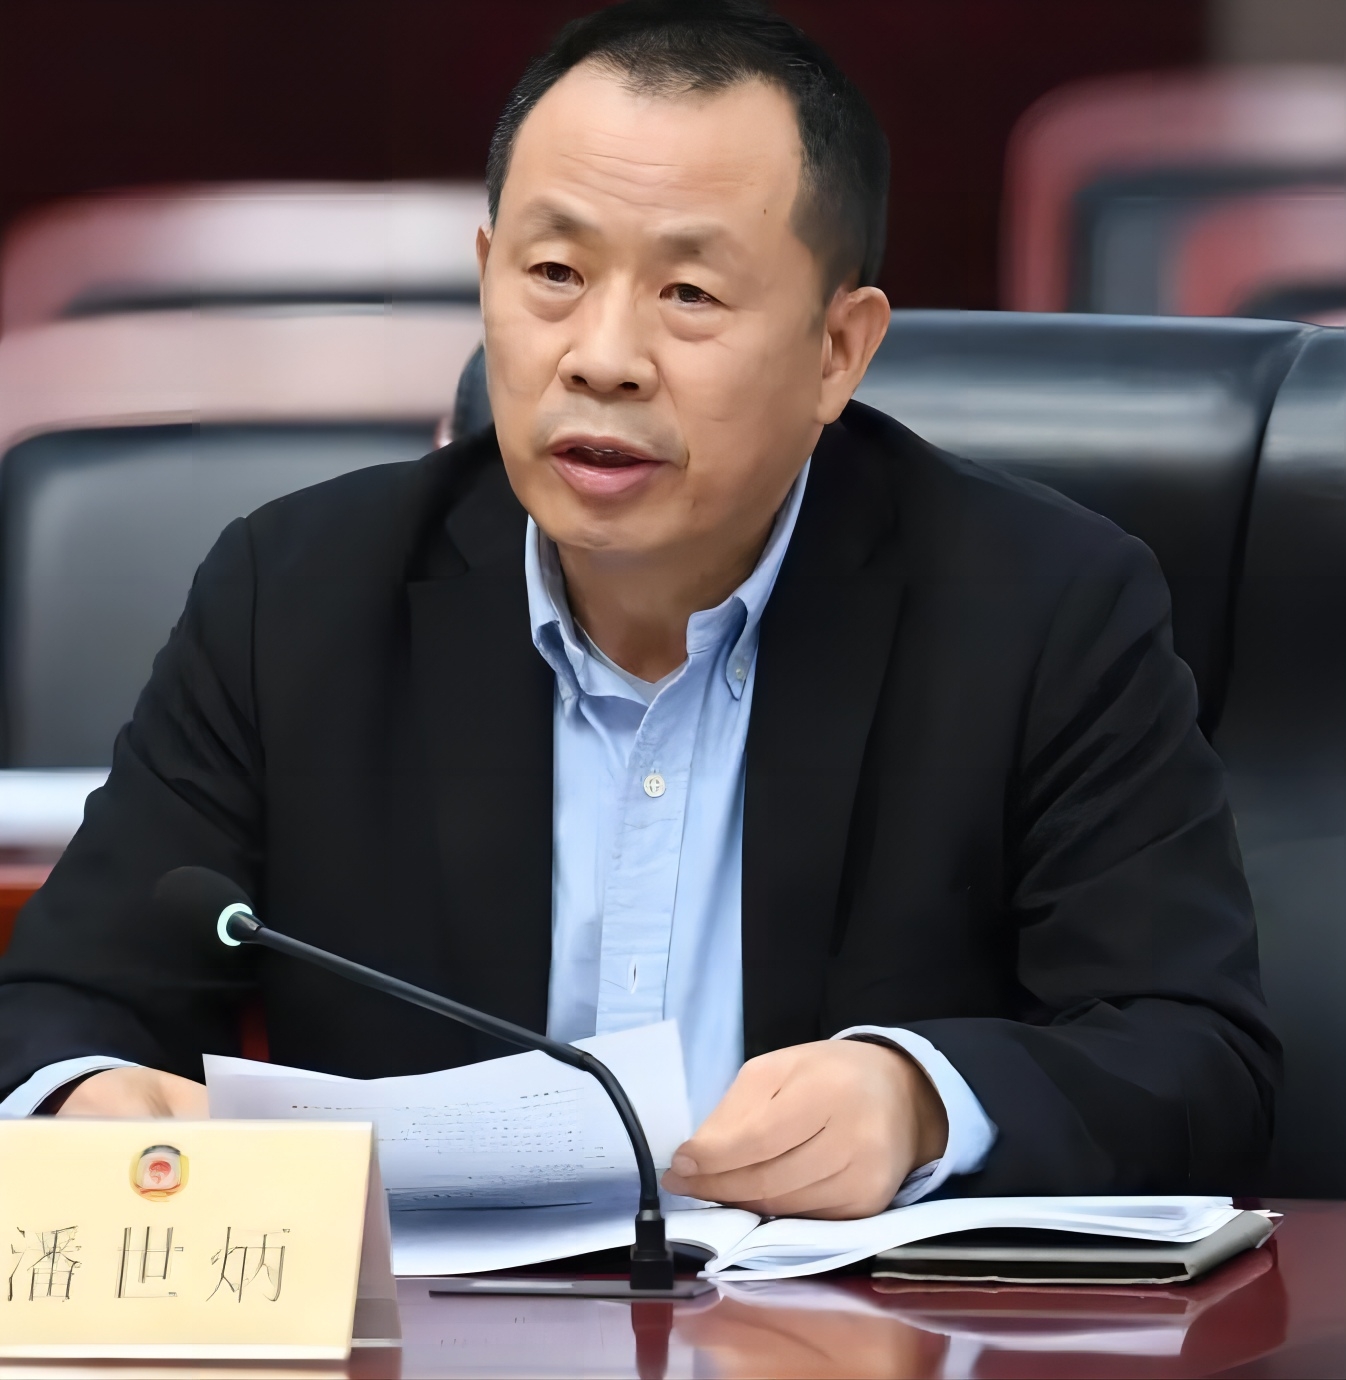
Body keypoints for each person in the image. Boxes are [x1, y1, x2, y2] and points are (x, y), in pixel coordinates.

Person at [0, 0, 1277, 1218]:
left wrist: (924, 1103)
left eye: (690, 295)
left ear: (839, 350)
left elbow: (1196, 1059)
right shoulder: (297, 596)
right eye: (555, 272)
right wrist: (86, 1099)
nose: (602, 357)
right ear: (488, 276)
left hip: (843, 1330)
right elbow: (59, 1005)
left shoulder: (1040, 610)